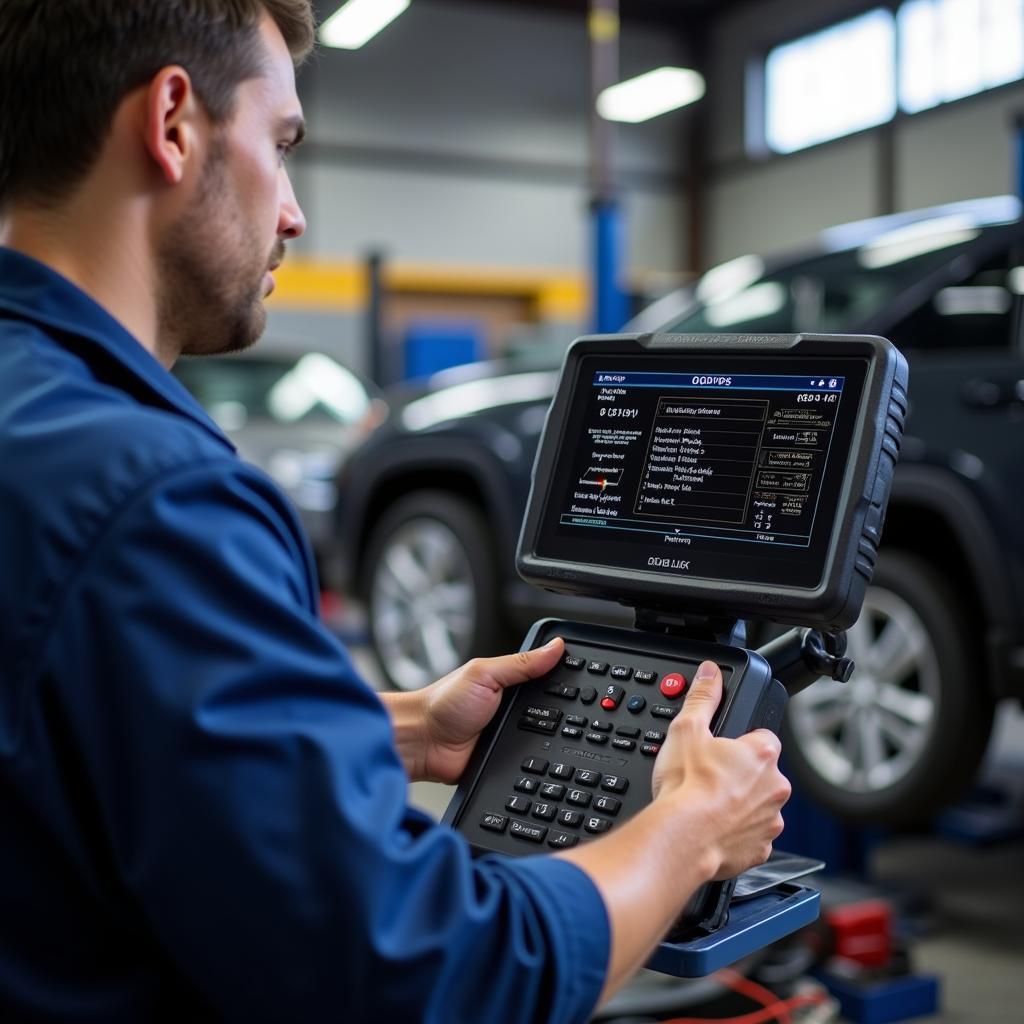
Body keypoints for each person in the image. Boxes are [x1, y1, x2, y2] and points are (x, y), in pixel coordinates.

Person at [0, 2, 791, 1021]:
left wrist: (406, 728)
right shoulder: (157, 500)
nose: (291, 212)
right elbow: (421, 970)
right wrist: (692, 826)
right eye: (280, 146)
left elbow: (80, 743)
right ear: (172, 123)